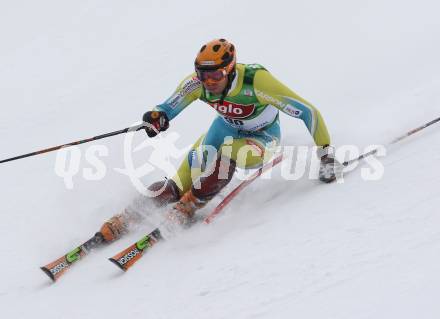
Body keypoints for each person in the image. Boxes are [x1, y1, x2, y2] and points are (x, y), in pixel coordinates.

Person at [99, 38, 340, 242]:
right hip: (223, 130)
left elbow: (308, 112)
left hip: (262, 138)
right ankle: (126, 217)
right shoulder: (197, 84)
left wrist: (326, 154)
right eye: (203, 75)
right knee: (177, 184)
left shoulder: (256, 81)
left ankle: (187, 208)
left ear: (231, 69)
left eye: (216, 75)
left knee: (229, 156)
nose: (210, 82)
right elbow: (166, 109)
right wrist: (156, 119)